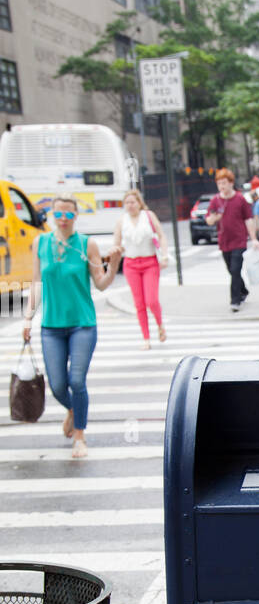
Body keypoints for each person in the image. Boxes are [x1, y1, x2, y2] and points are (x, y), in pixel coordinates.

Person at [22, 195, 122, 458]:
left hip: (82, 324)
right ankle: (73, 409)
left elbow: (101, 283)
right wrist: (27, 318)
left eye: (68, 214)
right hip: (51, 326)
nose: (63, 219)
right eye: (58, 214)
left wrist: (113, 265)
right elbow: (36, 283)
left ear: (76, 216)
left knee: (77, 381)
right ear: (52, 216)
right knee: (56, 385)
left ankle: (80, 434)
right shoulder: (40, 243)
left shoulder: (87, 244)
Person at [113, 189, 168, 349]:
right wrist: (117, 251)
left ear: (139, 203)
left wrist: (164, 255)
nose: (130, 206)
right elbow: (116, 242)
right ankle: (146, 338)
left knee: (151, 300)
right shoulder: (122, 221)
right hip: (131, 263)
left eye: (133, 202)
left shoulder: (148, 216)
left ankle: (160, 324)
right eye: (127, 203)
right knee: (139, 303)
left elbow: (161, 235)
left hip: (149, 261)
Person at [206, 168, 257, 311]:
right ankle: (243, 291)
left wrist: (253, 239)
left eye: (224, 183)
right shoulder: (215, 200)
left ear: (231, 183)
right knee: (231, 270)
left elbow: (248, 219)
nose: (222, 186)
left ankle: (235, 301)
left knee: (235, 269)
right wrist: (214, 218)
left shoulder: (240, 199)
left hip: (239, 240)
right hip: (224, 241)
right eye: (219, 183)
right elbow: (209, 220)